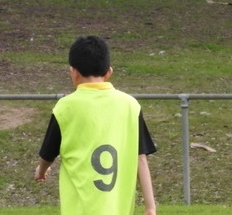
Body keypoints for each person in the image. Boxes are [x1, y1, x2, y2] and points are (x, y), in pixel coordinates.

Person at [35, 35, 157, 215]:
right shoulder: (130, 105)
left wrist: (41, 170)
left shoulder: (66, 107)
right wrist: (150, 206)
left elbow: (48, 154)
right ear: (109, 72)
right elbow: (140, 157)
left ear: (73, 72)